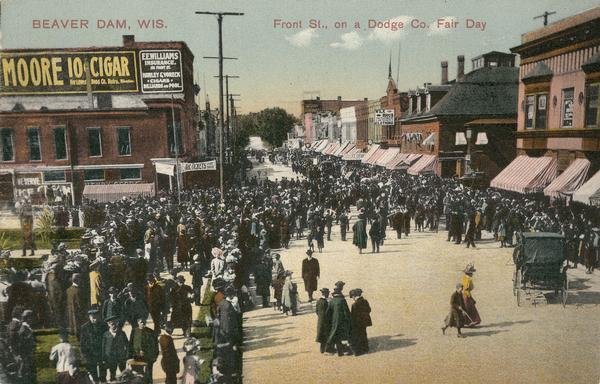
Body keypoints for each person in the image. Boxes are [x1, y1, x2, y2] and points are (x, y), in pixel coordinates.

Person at [79, 308, 108, 383]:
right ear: (89, 317)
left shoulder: (104, 326)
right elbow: (82, 342)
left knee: (103, 372)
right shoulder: (85, 327)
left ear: (98, 316)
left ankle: (103, 381)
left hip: (101, 353)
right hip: (90, 354)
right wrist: (84, 354)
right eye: (92, 317)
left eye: (96, 317)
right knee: (93, 373)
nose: (94, 319)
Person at [129, 317, 159, 384]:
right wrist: (130, 356)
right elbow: (130, 344)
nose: (142, 323)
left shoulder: (151, 332)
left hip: (148, 357)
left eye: (144, 321)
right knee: (138, 375)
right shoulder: (134, 331)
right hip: (137, 356)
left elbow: (155, 345)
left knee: (148, 374)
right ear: (138, 322)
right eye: (141, 322)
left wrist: (154, 356)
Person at [325, 281, 353, 356]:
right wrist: (350, 319)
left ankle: (338, 351)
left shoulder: (332, 301)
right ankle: (346, 351)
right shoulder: (342, 300)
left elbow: (328, 312)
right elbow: (346, 312)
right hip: (342, 321)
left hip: (334, 321)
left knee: (336, 335)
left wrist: (330, 320)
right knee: (344, 335)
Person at [102, 315, 129, 382]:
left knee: (123, 373)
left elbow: (127, 345)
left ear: (117, 323)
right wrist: (104, 358)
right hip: (111, 358)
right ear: (108, 325)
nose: (113, 325)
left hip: (121, 356)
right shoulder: (106, 334)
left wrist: (127, 355)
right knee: (112, 373)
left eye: (114, 323)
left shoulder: (122, 333)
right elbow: (103, 347)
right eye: (111, 324)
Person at [349, 289, 372, 356]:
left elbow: (353, 316)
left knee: (358, 336)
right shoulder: (365, 301)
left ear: (354, 296)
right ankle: (365, 348)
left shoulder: (355, 304)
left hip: (357, 323)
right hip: (364, 322)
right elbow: (369, 310)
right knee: (364, 334)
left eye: (352, 297)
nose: (352, 298)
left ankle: (358, 351)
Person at [17, 309, 36, 383]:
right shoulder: (24, 329)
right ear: (27, 318)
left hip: (28, 354)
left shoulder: (27, 327)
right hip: (26, 354)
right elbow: (22, 343)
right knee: (26, 373)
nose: (33, 319)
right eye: (31, 317)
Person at [66, 274, 87, 338]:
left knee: (73, 321)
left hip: (71, 309)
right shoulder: (78, 290)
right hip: (78, 310)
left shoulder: (68, 289)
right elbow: (79, 302)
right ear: (78, 280)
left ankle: (73, 332)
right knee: (79, 322)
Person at [315, 287, 331, 354]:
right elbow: (328, 312)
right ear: (326, 294)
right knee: (326, 335)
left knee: (321, 336)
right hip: (326, 321)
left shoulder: (318, 301)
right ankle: (327, 349)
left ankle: (322, 349)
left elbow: (316, 311)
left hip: (320, 321)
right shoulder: (326, 302)